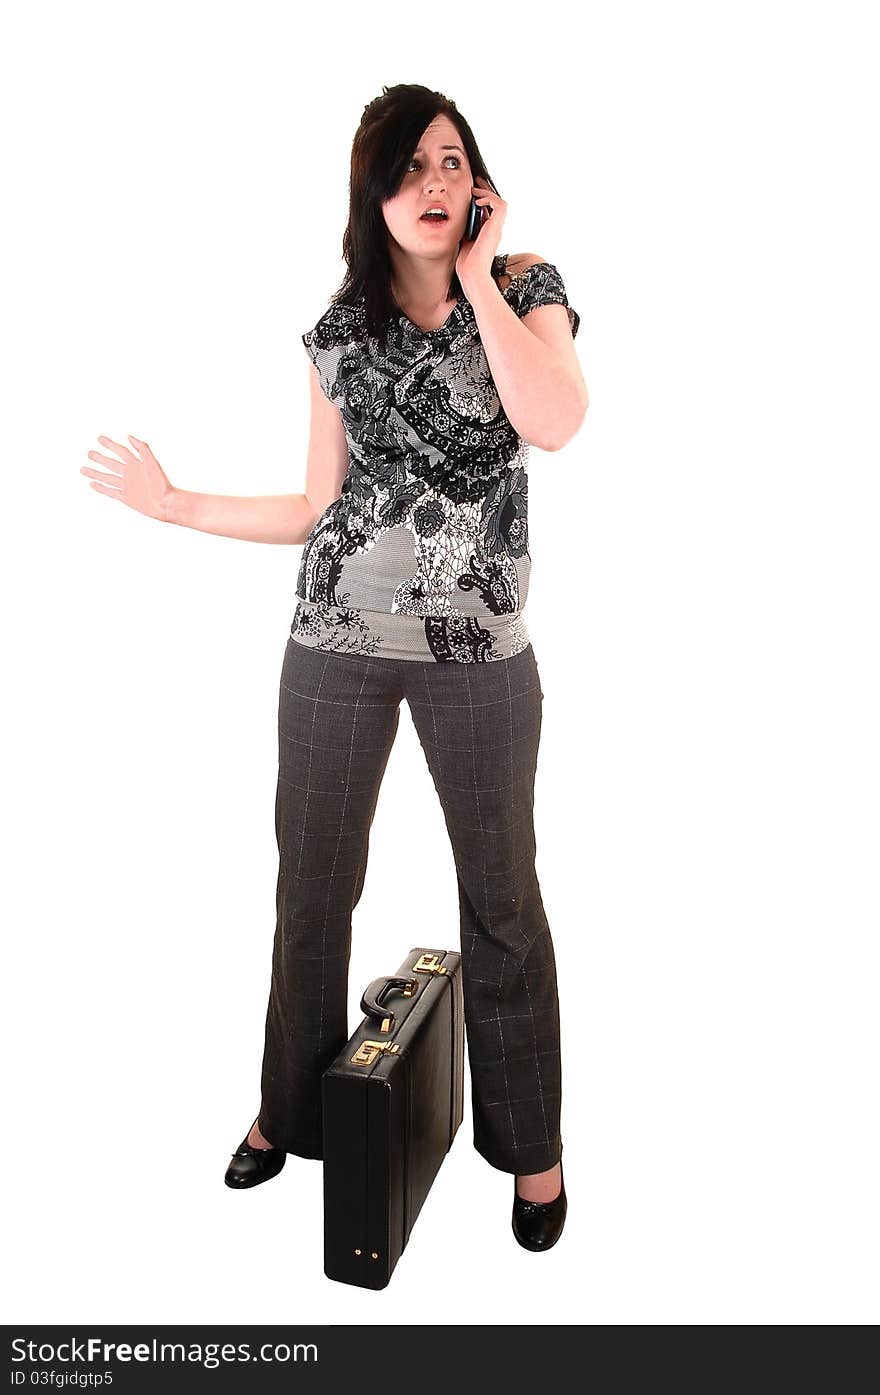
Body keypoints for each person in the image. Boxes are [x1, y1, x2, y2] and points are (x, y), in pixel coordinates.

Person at [79, 83, 588, 1253]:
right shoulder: (339, 329)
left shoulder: (524, 287)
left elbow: (555, 421)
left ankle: (532, 1149)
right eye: (408, 168)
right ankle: (287, 1108)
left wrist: (478, 274)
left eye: (452, 162)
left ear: (480, 186)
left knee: (502, 903)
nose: (433, 185)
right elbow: (319, 503)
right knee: (309, 896)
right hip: (335, 646)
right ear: (373, 191)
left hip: (479, 655)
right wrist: (177, 506)